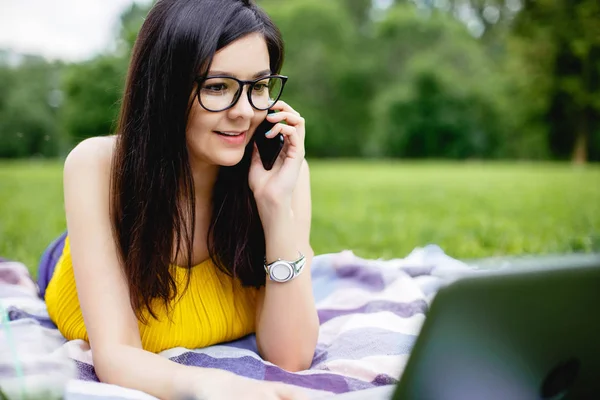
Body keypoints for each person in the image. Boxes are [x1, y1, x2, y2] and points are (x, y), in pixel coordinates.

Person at [39, 0, 319, 398]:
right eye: (217, 87)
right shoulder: (97, 165)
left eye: (258, 87)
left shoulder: (281, 173)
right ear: (166, 89)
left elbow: (290, 357)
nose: (244, 112)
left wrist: (275, 207)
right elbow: (116, 355)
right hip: (72, 262)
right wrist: (212, 386)